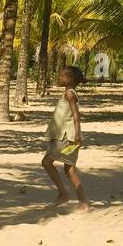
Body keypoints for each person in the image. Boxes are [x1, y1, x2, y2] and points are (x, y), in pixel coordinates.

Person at [41, 65, 89, 210]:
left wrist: (78, 133)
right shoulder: (68, 93)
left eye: (62, 76)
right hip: (67, 136)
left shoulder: (69, 94)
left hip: (66, 137)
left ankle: (63, 193)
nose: (59, 77)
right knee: (69, 170)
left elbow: (76, 115)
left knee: (47, 162)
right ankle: (83, 202)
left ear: (69, 79)